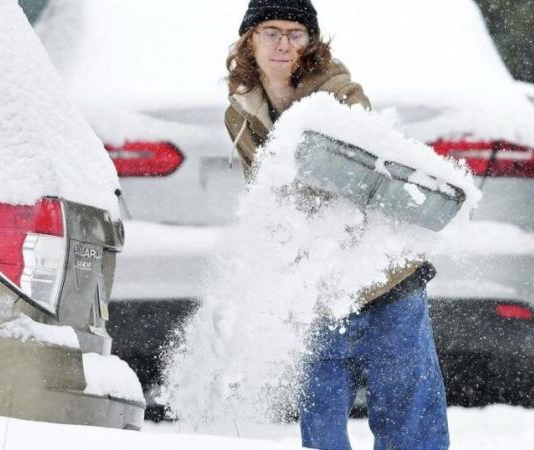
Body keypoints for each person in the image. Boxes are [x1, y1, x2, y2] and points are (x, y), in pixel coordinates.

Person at [225, 1, 450, 449]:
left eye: (295, 33)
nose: (283, 44)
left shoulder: (340, 94)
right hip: (317, 289)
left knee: (408, 419)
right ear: (250, 38)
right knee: (321, 423)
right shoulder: (240, 111)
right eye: (271, 31)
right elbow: (266, 199)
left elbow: (357, 181)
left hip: (386, 278)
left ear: (311, 41)